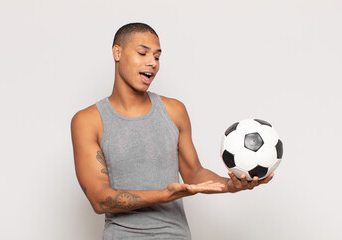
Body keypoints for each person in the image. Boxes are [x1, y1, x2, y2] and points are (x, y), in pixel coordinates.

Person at [71, 22, 274, 240]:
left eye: (157, 57)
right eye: (142, 53)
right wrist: (165, 195)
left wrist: (229, 185)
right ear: (117, 52)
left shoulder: (174, 111)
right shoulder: (88, 121)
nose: (152, 63)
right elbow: (99, 199)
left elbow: (193, 173)